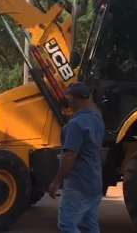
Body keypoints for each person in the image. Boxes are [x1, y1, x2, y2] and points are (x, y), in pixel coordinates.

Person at [48, 82, 105, 233]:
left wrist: (56, 182)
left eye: (69, 98)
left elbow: (69, 156)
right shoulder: (97, 118)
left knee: (67, 225)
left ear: (75, 100)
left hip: (78, 184)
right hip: (94, 182)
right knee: (89, 226)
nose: (68, 102)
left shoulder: (76, 124)